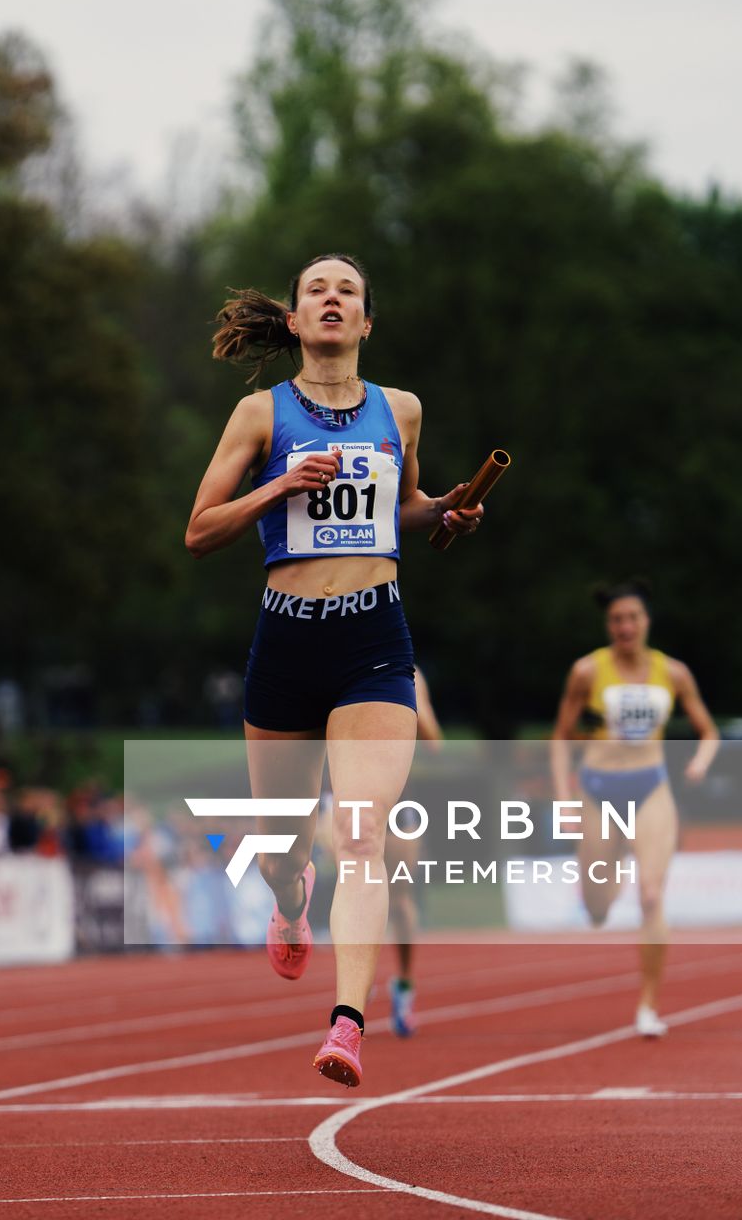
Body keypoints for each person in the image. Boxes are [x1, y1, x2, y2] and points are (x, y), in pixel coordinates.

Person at [185, 252, 484, 1086]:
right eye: (314, 289)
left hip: (373, 644)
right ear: (293, 320)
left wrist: (447, 511)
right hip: (286, 641)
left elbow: (410, 510)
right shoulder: (259, 414)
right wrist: (279, 485)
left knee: (361, 833)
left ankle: (347, 1022)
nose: (329, 299)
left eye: (345, 291)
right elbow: (200, 529)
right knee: (283, 848)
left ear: (365, 323)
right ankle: (289, 898)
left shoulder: (402, 410)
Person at [550, 580, 719, 1039]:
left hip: (651, 787)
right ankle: (606, 884)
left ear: (646, 622)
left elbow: (708, 730)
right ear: (609, 625)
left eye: (633, 618)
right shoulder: (587, 672)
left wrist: (701, 763)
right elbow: (560, 738)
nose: (625, 626)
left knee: (650, 895)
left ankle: (648, 1006)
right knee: (598, 907)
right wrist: (564, 800)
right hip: (598, 788)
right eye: (617, 620)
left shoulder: (674, 673)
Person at [384, 666, 445, 1038]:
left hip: (394, 792)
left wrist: (408, 704)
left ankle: (404, 985)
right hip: (338, 788)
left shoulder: (408, 670)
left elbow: (434, 741)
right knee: (354, 884)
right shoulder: (323, 651)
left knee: (400, 897)